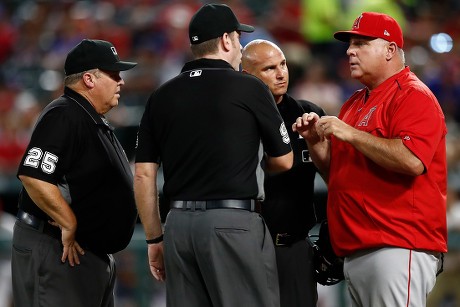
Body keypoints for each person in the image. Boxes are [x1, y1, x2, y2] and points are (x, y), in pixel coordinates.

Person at [134, 3, 293, 307]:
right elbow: (284, 160)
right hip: (232, 222)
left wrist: (155, 238)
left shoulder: (161, 95)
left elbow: (143, 174)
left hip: (178, 226)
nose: (240, 44)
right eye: (238, 37)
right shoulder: (250, 87)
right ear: (225, 41)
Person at [293, 12, 447, 307]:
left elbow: (413, 160)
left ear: (390, 49)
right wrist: (315, 142)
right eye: (351, 44)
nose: (351, 50)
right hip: (356, 250)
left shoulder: (412, 95)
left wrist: (349, 134)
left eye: (362, 43)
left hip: (396, 246)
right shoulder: (354, 103)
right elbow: (336, 175)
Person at [11, 39, 138, 307]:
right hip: (58, 250)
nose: (121, 81)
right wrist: (68, 222)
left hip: (84, 256)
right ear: (89, 79)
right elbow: (33, 175)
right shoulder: (64, 114)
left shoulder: (87, 117)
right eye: (113, 74)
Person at [241, 39, 325, 307]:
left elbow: (335, 177)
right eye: (268, 68)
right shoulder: (235, 120)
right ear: (246, 75)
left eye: (283, 64)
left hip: (294, 247)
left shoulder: (308, 114)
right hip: (244, 249)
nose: (280, 74)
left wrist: (316, 143)